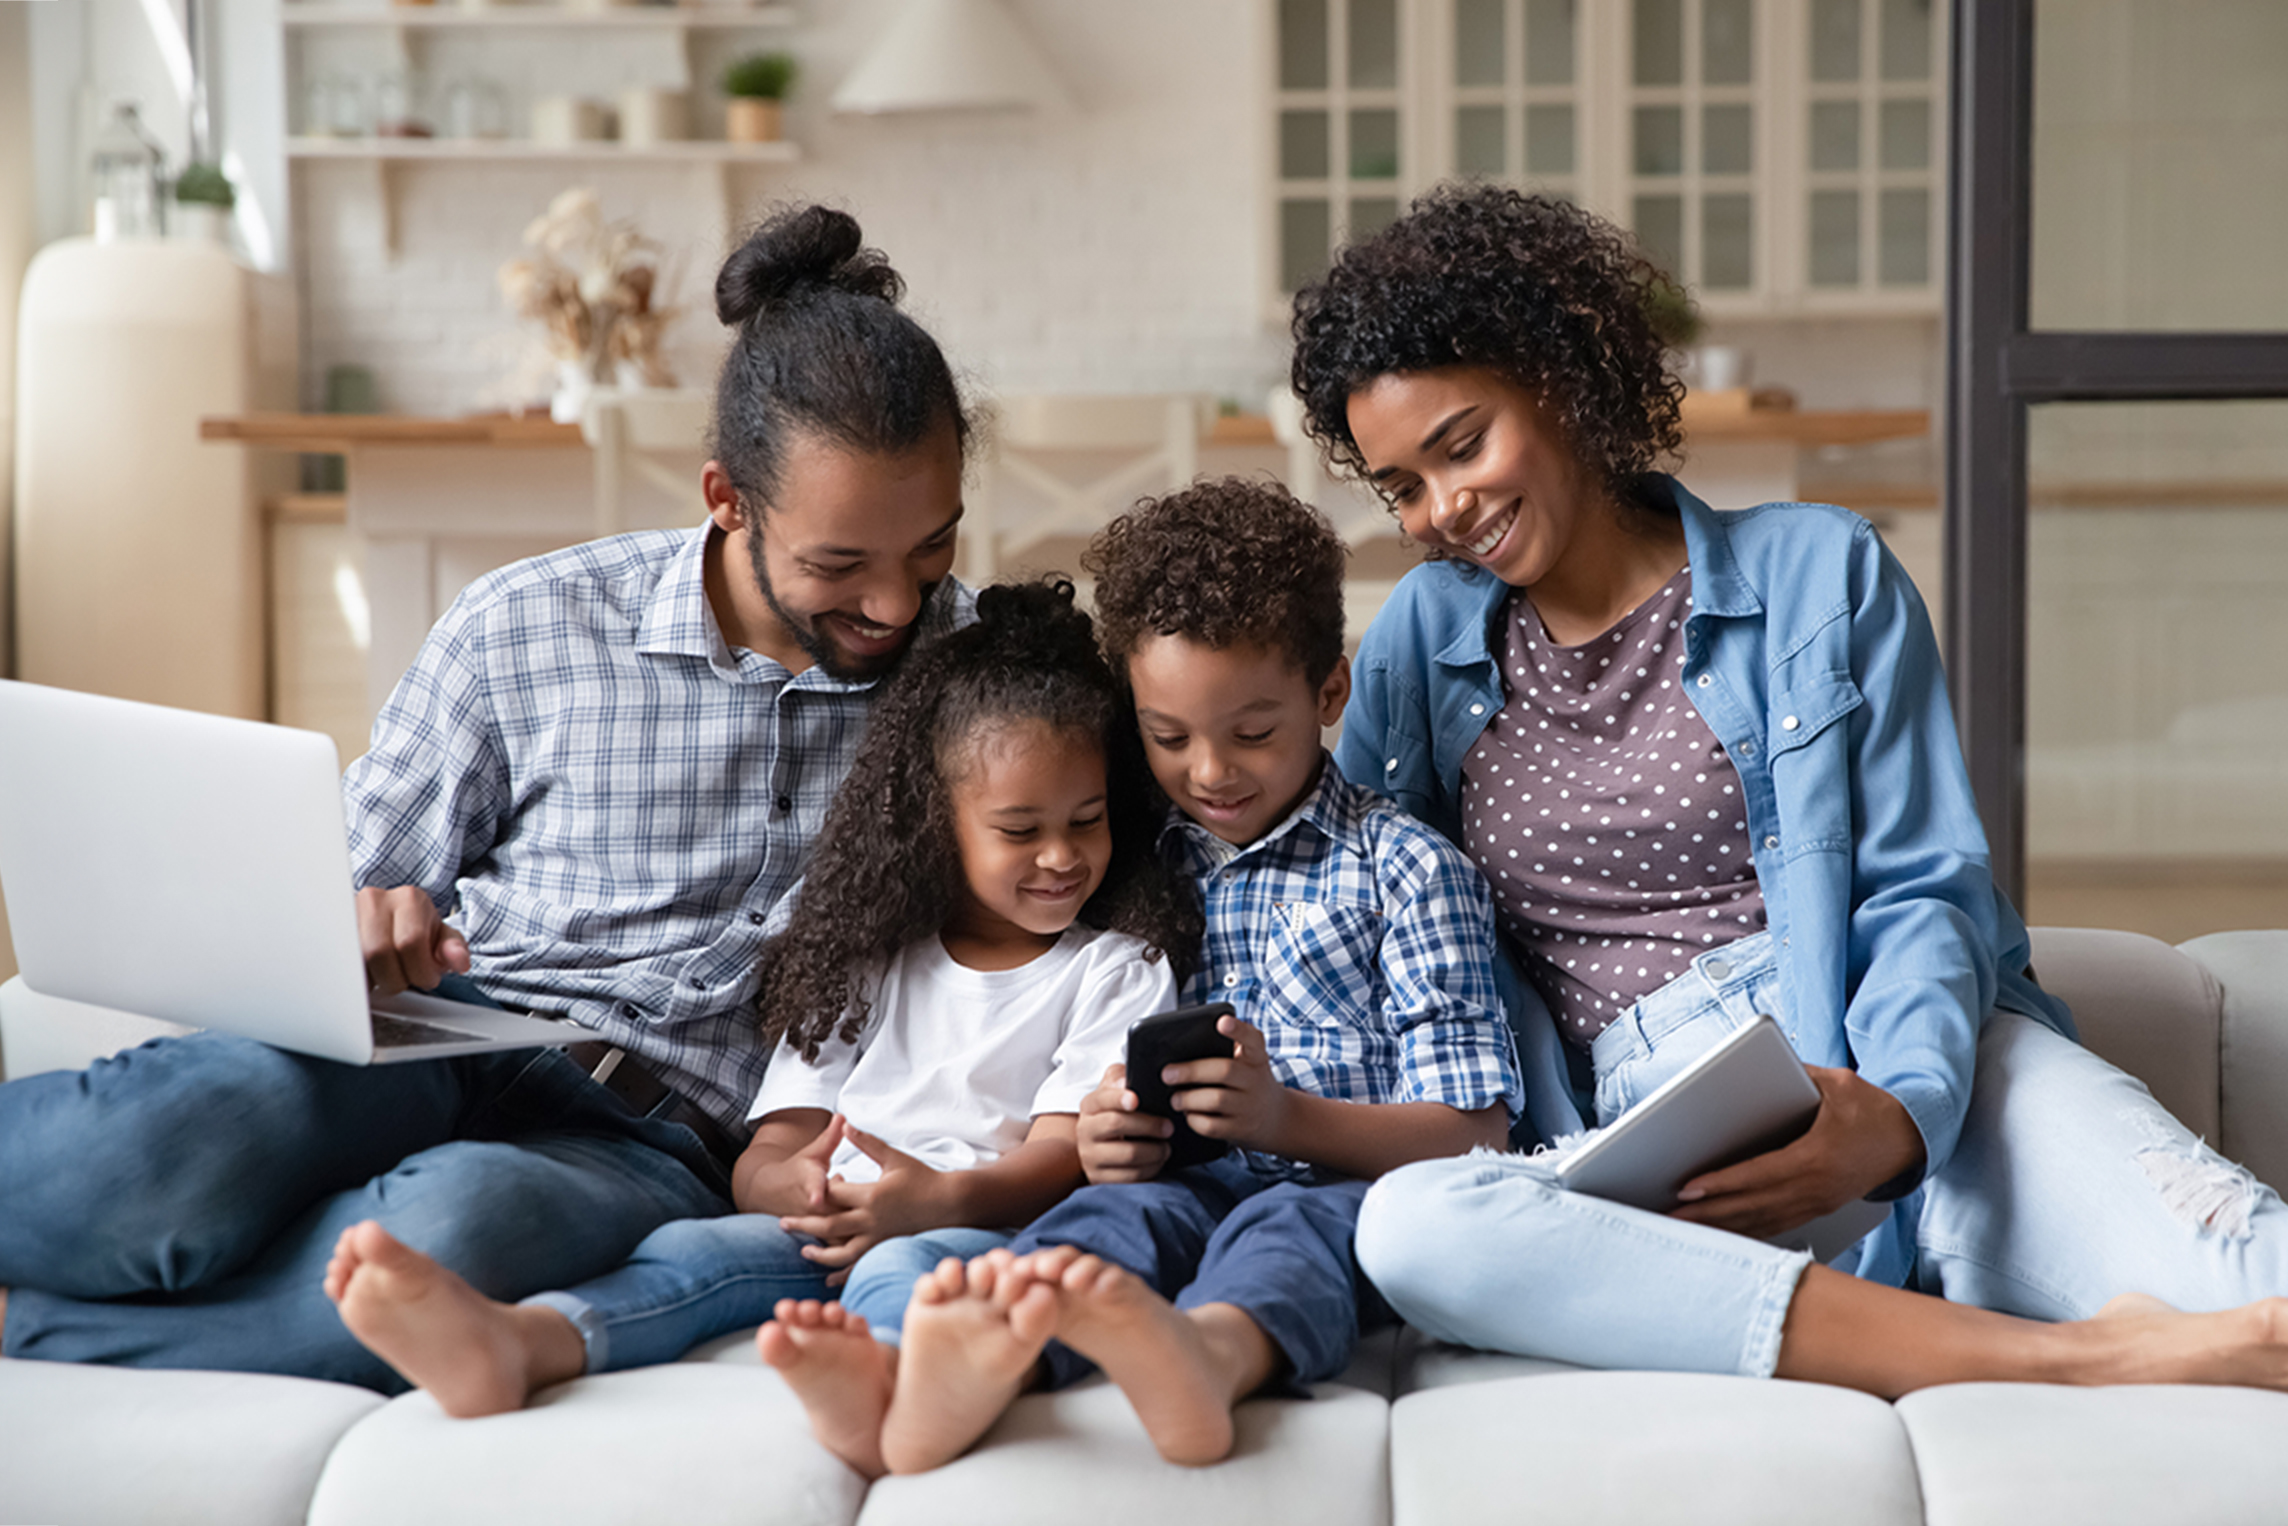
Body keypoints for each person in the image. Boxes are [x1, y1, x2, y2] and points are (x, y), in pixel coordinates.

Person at [1286, 182, 2288, 1396]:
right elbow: (1343, 891)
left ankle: (2003, 1301)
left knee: (2258, 1285)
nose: (1442, 509)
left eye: (1461, 443)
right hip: (1647, 1136)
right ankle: (2080, 1357)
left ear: (1557, 377)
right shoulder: (1418, 642)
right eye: (1399, 486)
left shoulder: (1823, 572)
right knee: (1415, 1229)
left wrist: (1898, 1112)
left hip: (1895, 1065)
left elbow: (1927, 883)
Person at [0, 205, 978, 1389]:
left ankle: (29, 1327)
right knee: (168, 1150)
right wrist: (356, 919)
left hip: (649, 1136)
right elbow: (341, 882)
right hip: (449, 1030)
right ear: (726, 498)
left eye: (929, 553)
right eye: (839, 566)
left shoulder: (976, 684)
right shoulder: (529, 622)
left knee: (447, 1234)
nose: (892, 607)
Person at [321, 578, 1203, 1449]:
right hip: (828, 1224)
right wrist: (788, 1190)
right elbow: (773, 1147)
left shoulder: (1114, 969)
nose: (1061, 856)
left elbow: (1062, 1156)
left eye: (1086, 821)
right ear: (940, 824)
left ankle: (894, 1395)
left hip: (973, 1227)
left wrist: (938, 1200)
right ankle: (525, 1342)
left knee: (904, 1273)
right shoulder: (870, 958)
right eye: (1020, 830)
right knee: (693, 1258)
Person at [856, 478, 1526, 1476]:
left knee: (1289, 1232)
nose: (1209, 768)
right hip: (1175, 1183)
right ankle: (974, 1363)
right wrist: (1099, 1132)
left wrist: (1282, 1117)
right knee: (1101, 1222)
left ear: (1327, 693)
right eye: (1165, 737)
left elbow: (1473, 1129)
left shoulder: (1407, 869)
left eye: (1250, 731)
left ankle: (1209, 1357)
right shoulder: (1122, 860)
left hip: (1337, 1184)